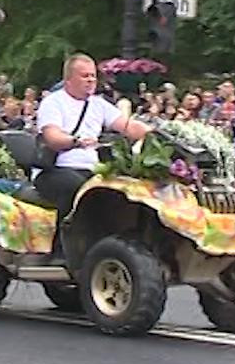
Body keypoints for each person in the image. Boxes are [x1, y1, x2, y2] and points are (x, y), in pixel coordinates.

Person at [35, 53, 153, 248]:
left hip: (92, 169)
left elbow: (128, 126)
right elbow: (52, 137)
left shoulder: (99, 104)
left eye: (93, 76)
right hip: (55, 169)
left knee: (122, 190)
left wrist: (157, 133)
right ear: (69, 79)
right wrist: (75, 141)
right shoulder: (53, 102)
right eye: (85, 76)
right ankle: (62, 248)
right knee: (78, 187)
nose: (91, 80)